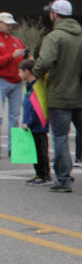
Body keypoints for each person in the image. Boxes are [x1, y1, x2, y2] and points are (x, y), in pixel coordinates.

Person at [32, 0, 82, 193]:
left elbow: (44, 62)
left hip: (59, 95)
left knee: (60, 137)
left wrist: (36, 71)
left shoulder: (54, 37)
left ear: (54, 14)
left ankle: (63, 179)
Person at [18, 59, 50, 184]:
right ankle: (38, 173)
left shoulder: (37, 87)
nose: (19, 75)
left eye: (20, 72)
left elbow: (36, 108)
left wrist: (29, 122)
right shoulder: (29, 86)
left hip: (38, 125)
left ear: (27, 71)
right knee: (34, 151)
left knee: (41, 151)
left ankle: (45, 175)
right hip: (31, 125)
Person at [0, 11, 24, 157]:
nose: (10, 27)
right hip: (2, 80)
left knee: (15, 117)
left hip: (16, 82)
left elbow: (22, 57)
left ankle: (13, 148)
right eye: (7, 24)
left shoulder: (16, 40)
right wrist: (10, 56)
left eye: (11, 25)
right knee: (0, 117)